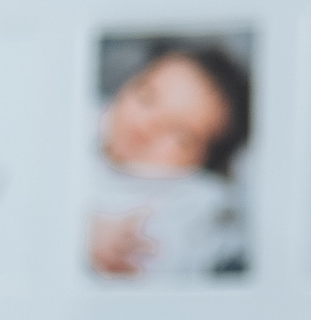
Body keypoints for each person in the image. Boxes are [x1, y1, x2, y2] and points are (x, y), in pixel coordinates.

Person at [87, 39, 253, 279]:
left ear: (203, 163)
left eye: (179, 134)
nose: (148, 125)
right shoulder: (81, 121)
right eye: (146, 97)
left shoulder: (187, 202)